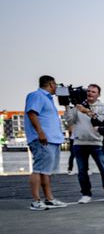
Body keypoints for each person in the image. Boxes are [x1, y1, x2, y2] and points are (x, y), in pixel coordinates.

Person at [63, 84, 104, 204]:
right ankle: (86, 194)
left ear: (98, 94)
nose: (90, 93)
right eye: (88, 91)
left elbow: (103, 122)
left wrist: (87, 111)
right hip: (79, 142)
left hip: (96, 143)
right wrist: (67, 107)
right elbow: (69, 120)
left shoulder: (102, 107)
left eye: (93, 92)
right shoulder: (78, 105)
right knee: (82, 171)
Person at [24, 75, 67, 210]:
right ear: (51, 84)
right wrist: (40, 132)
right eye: (56, 85)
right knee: (38, 169)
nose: (57, 88)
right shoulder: (36, 95)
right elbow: (32, 113)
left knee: (46, 171)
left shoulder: (48, 99)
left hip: (52, 140)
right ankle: (36, 200)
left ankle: (49, 199)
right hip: (43, 139)